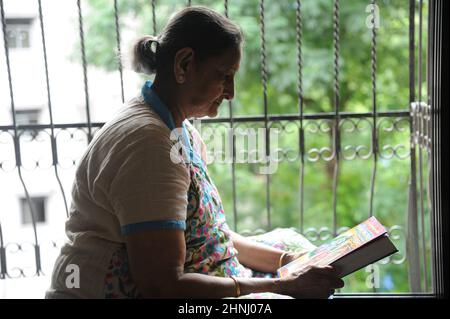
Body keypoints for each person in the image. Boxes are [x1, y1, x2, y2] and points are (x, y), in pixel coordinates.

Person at [45, 6, 344, 299]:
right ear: (184, 64)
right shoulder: (150, 146)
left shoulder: (177, 129)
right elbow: (163, 286)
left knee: (294, 248)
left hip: (202, 274)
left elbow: (210, 237)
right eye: (225, 75)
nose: (231, 92)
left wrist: (287, 262)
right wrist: (283, 286)